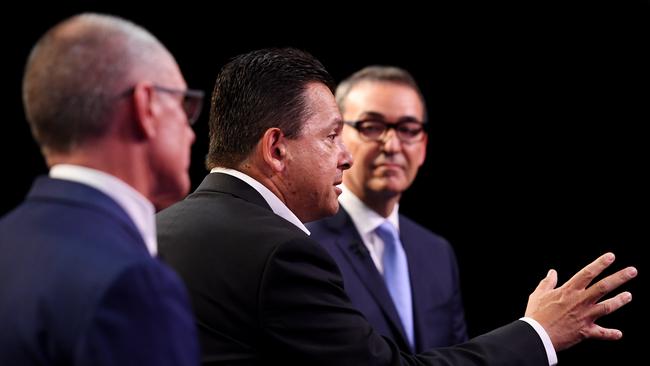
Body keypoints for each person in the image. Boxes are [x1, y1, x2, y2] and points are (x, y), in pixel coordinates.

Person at [157, 47, 636, 365]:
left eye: (409, 129)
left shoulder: (159, 229)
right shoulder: (285, 252)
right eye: (334, 136)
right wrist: (536, 333)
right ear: (276, 148)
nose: (346, 154)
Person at [0, 13, 201, 365]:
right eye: (184, 104)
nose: (191, 131)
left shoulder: (8, 239)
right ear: (146, 106)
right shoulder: (134, 285)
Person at [306, 65, 467, 353]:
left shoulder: (437, 252)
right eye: (372, 127)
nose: (392, 145)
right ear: (336, 138)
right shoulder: (304, 244)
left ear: (423, 146)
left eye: (408, 130)